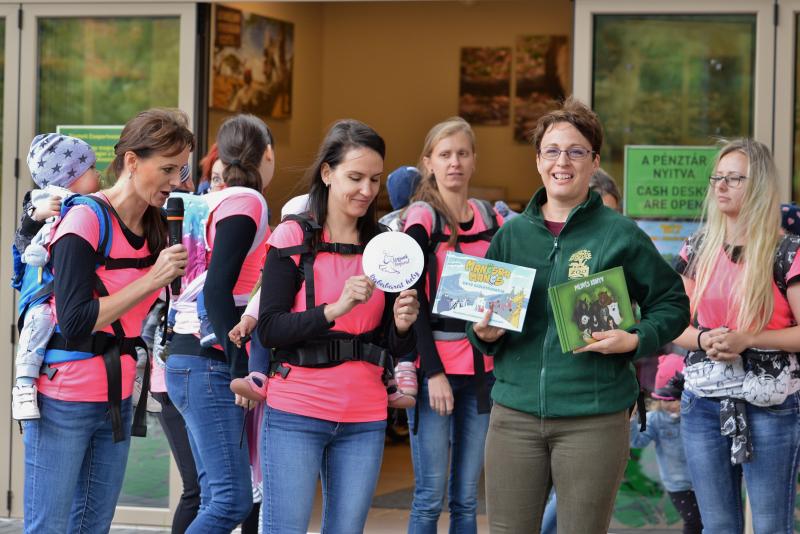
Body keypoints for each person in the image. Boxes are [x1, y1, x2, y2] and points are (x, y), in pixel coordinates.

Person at [467, 97, 689, 533]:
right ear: (537, 161)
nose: (562, 161)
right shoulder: (510, 237)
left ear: (594, 161)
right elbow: (485, 324)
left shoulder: (619, 234)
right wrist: (485, 334)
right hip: (514, 415)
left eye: (575, 151)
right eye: (552, 150)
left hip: (594, 418)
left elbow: (674, 303)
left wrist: (636, 338)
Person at [22, 108, 193, 533]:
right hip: (65, 399)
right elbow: (77, 320)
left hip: (117, 396)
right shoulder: (84, 218)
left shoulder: (158, 225)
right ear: (132, 162)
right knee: (50, 527)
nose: (176, 181)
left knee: (93, 526)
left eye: (182, 169)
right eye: (167, 168)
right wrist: (152, 278)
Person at [256, 119, 419, 534]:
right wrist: (335, 307)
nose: (367, 190)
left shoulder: (385, 247)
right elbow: (270, 329)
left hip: (364, 415)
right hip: (296, 411)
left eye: (374, 179)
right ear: (327, 173)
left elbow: (392, 347)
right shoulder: (292, 236)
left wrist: (402, 327)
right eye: (355, 177)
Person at [672, 138, 800, 534]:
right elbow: (676, 324)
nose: (721, 186)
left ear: (759, 185)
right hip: (703, 405)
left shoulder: (787, 251)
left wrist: (749, 337)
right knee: (719, 527)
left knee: (769, 526)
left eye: (734, 178)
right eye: (717, 177)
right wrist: (703, 339)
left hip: (770, 406)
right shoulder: (696, 248)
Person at [165, 114, 274, 533]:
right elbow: (217, 291)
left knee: (215, 495)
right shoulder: (246, 201)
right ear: (267, 153)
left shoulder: (204, 201)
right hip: (210, 361)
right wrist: (240, 368)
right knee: (231, 501)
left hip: (185, 356)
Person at [402, 116, 501, 534]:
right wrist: (433, 373)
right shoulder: (422, 218)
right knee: (429, 497)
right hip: (436, 373)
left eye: (462, 153)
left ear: (474, 160)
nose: (454, 162)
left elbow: (501, 291)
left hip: (482, 373)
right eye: (445, 155)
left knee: (465, 500)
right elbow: (413, 302)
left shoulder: (489, 216)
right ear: (429, 163)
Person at [11, 133, 101, 420]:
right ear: (69, 176)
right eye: (91, 170)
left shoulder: (86, 204)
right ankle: (24, 383)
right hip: (42, 289)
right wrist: (36, 215)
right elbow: (24, 246)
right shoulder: (44, 203)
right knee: (39, 322)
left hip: (63, 288)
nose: (98, 174)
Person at [629, 355, 702, 534]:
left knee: (711, 522)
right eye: (665, 399)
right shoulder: (655, 419)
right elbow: (637, 441)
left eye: (675, 399)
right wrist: (630, 421)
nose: (670, 405)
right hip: (678, 485)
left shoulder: (698, 416)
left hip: (704, 481)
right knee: (693, 523)